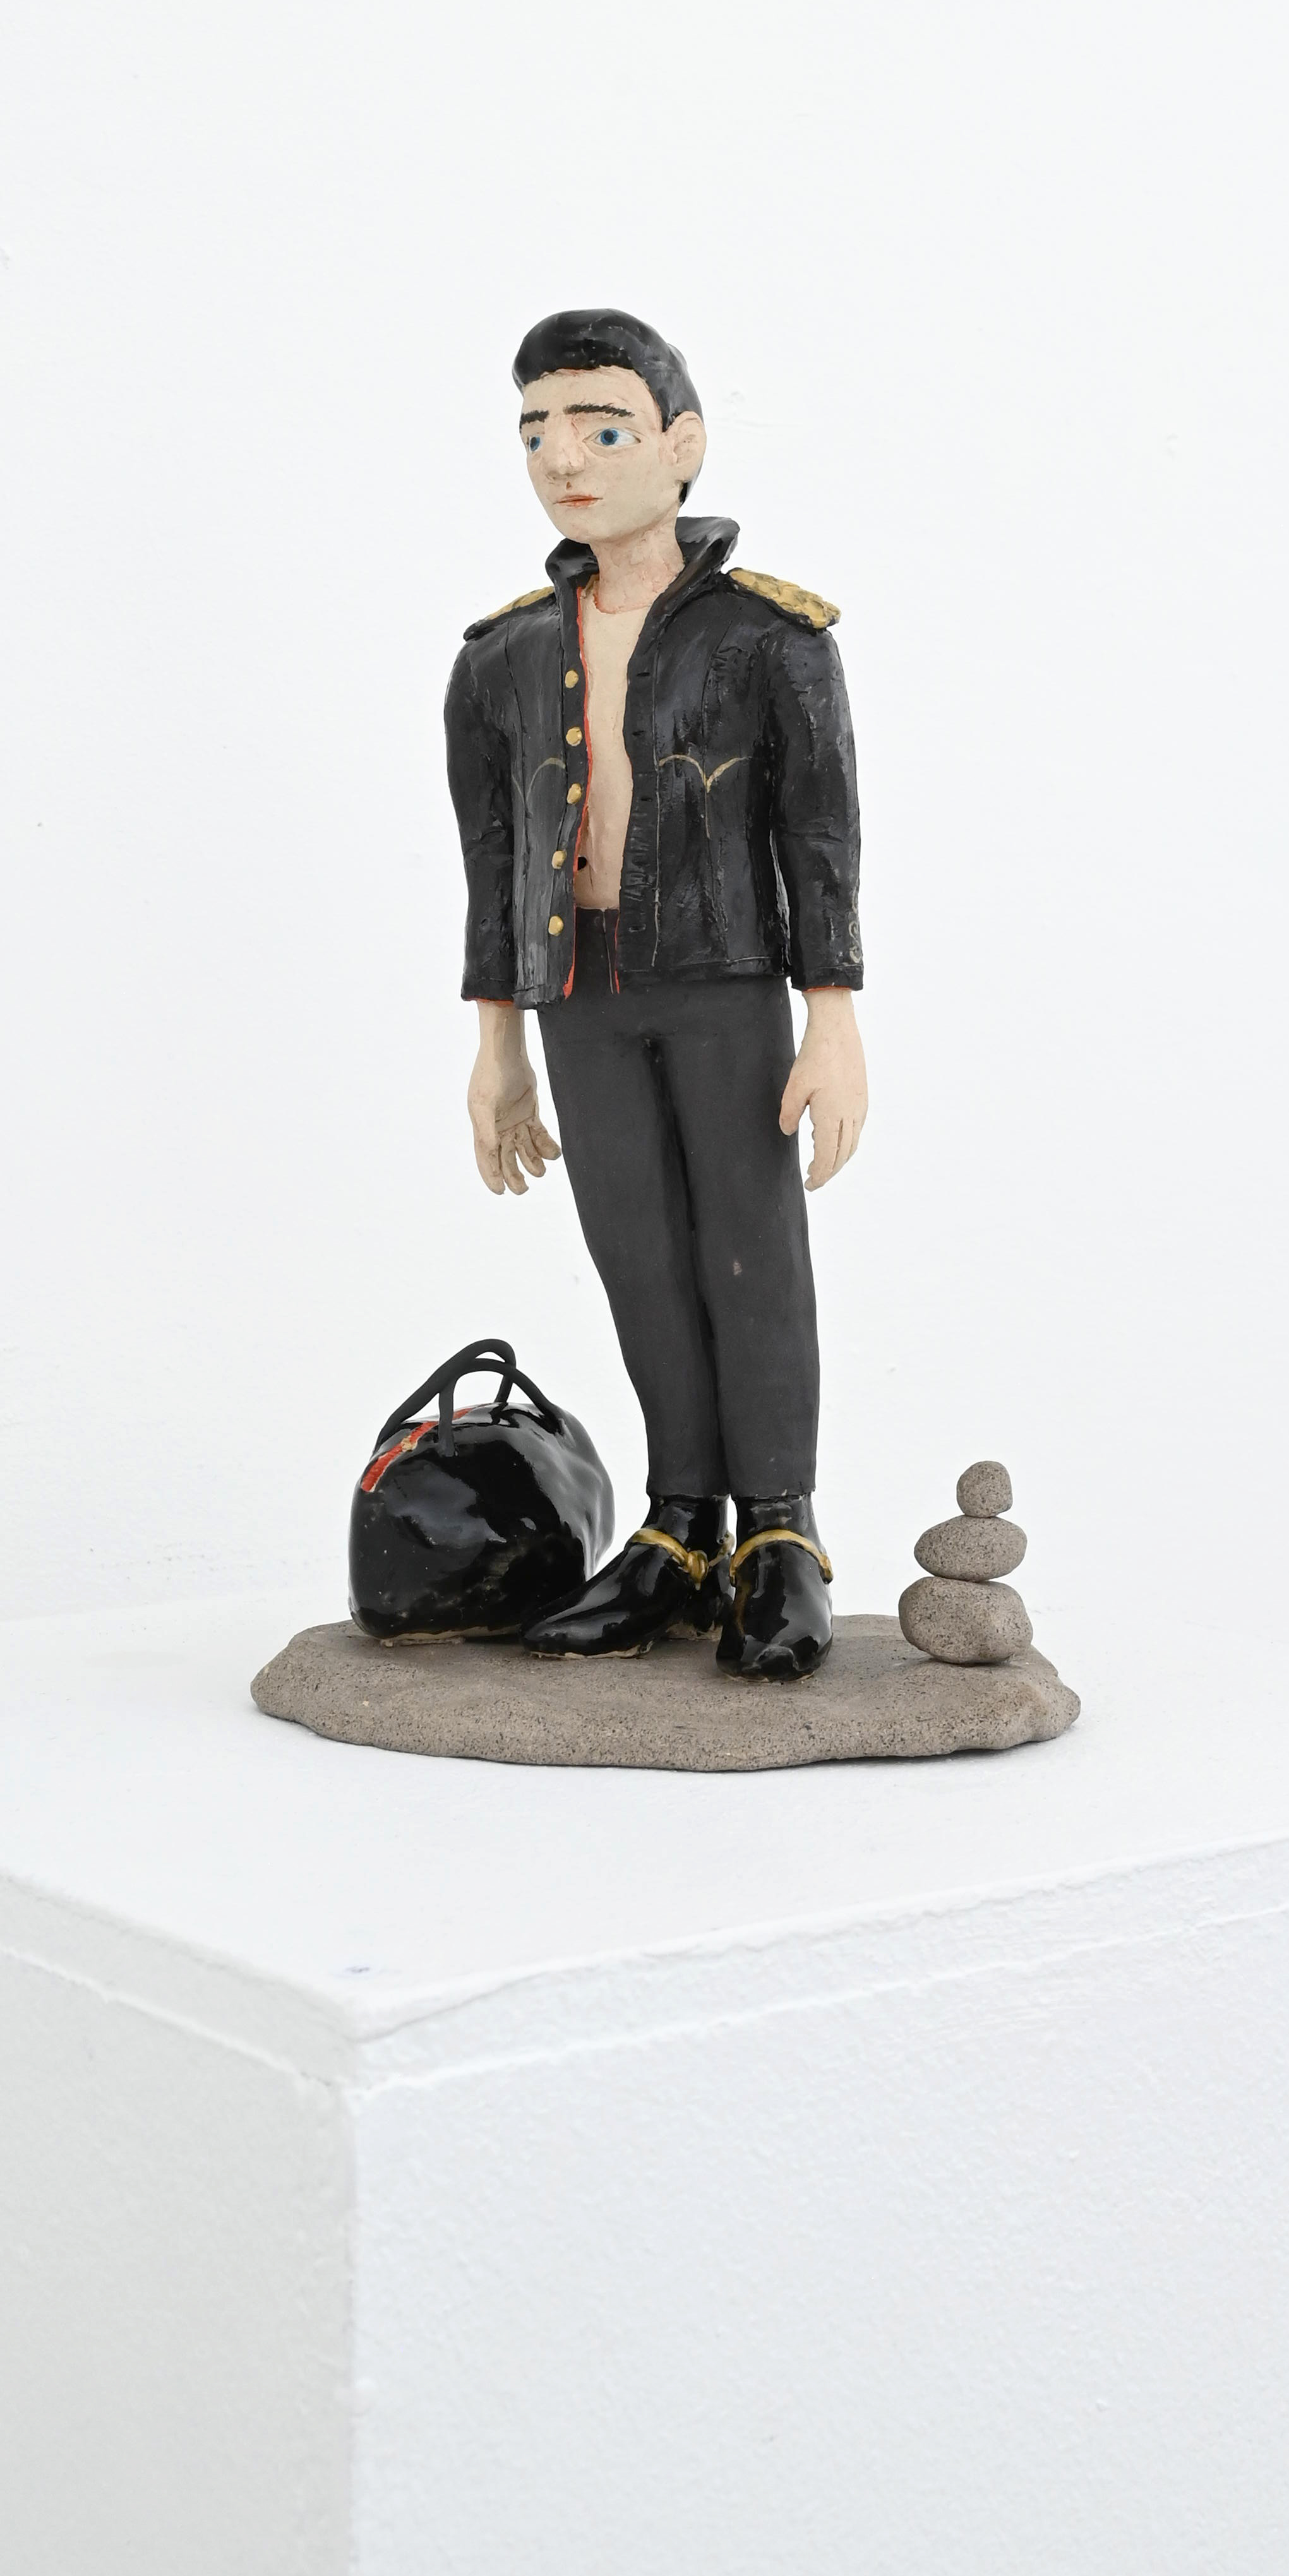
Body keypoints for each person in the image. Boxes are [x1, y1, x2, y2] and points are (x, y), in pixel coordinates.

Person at [443, 307, 867, 1679]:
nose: (564, 459)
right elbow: (496, 860)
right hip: (581, 990)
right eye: (536, 431)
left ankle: (780, 1528)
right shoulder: (501, 656)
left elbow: (818, 836)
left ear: (683, 446)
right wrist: (500, 1048)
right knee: (636, 1253)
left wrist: (833, 1017)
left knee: (750, 1248)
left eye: (603, 427)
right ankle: (681, 1524)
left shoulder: (769, 636)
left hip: (724, 979)